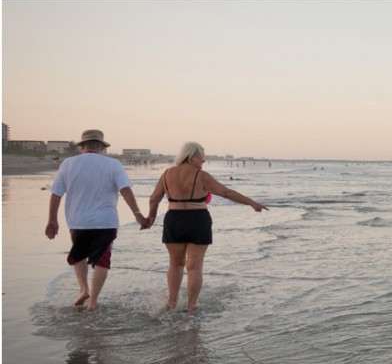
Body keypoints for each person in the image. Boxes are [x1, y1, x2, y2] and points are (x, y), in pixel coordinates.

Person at [146, 142, 268, 312]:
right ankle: (191, 307)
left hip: (174, 219)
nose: (203, 162)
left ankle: (171, 303)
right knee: (194, 266)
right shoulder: (200, 175)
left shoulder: (167, 174)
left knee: (175, 264)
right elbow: (226, 192)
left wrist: (151, 217)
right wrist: (252, 203)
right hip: (197, 220)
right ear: (193, 156)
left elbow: (154, 199)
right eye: (202, 158)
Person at [45, 130, 149, 311]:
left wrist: (52, 220)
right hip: (106, 221)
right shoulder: (113, 164)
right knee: (102, 259)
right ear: (101, 146)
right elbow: (125, 190)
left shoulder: (68, 164)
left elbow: (56, 194)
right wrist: (138, 214)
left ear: (82, 146)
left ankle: (83, 289)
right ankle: (92, 302)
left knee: (79, 254)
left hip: (78, 221)